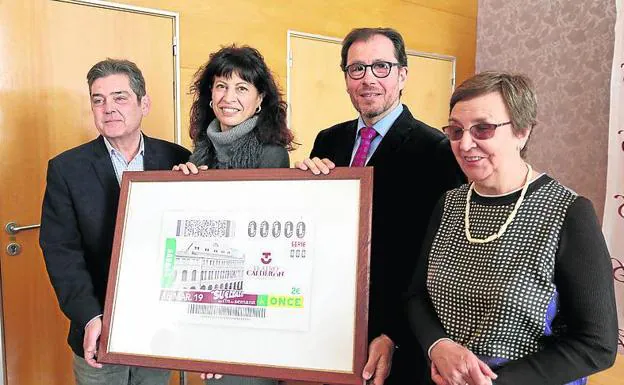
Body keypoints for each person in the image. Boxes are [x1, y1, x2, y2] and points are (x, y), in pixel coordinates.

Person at [406, 71, 618, 385]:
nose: (465, 144)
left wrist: (495, 382)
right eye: (455, 130)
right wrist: (439, 345)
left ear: (522, 131)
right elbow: (416, 296)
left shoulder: (568, 212)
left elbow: (596, 345)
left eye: (483, 128)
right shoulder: (449, 204)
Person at [296, 28, 465, 385]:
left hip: (392, 334)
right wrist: (302, 190)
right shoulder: (329, 139)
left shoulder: (435, 150)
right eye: (356, 68)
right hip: (328, 320)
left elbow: (433, 262)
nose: (368, 78)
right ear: (345, 78)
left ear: (403, 74)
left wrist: (394, 334)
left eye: (381, 67)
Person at [39, 58, 190, 385]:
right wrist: (90, 316)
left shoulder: (179, 160)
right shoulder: (66, 169)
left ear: (143, 103)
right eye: (98, 99)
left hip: (159, 329)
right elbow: (61, 251)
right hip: (99, 330)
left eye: (120, 97)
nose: (108, 108)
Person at [174, 45, 295, 385]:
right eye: (221, 85)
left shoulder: (271, 155)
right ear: (210, 94)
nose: (229, 97)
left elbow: (259, 251)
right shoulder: (199, 152)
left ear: (259, 100)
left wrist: (224, 336)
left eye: (242, 88)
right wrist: (177, 192)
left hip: (251, 315)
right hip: (204, 301)